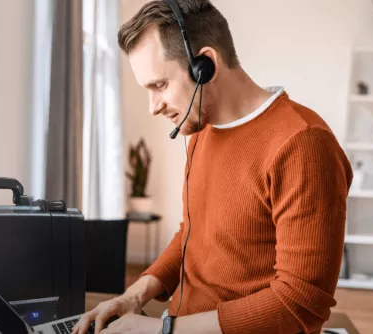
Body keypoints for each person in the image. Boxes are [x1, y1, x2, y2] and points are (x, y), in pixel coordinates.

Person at [73, 0, 353, 333]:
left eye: (160, 85)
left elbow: (299, 305)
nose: (153, 107)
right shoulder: (201, 129)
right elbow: (194, 233)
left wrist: (160, 331)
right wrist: (135, 295)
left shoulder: (303, 144)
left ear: (206, 64)